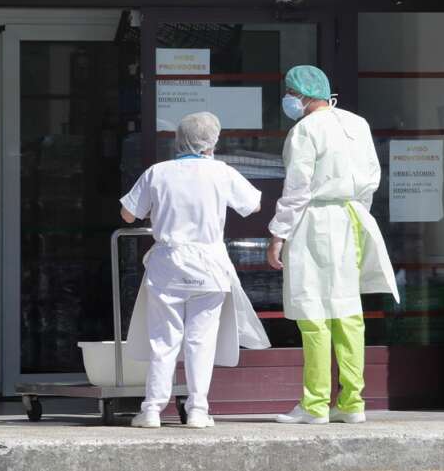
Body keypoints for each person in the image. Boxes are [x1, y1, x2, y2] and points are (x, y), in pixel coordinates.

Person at [120, 112, 270, 428]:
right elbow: (253, 205)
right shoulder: (221, 172)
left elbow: (128, 214)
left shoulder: (157, 172)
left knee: (163, 340)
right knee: (201, 341)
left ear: (179, 140)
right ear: (211, 142)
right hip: (209, 266)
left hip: (168, 266)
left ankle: (151, 410)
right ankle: (198, 410)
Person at [268, 65, 399, 425]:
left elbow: (297, 189)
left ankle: (315, 405)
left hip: (314, 222)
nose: (289, 100)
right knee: (348, 313)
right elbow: (372, 178)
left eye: (290, 93)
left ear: (301, 96)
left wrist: (278, 234)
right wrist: (358, 215)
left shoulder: (304, 130)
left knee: (313, 313)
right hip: (353, 219)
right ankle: (353, 402)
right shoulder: (357, 124)